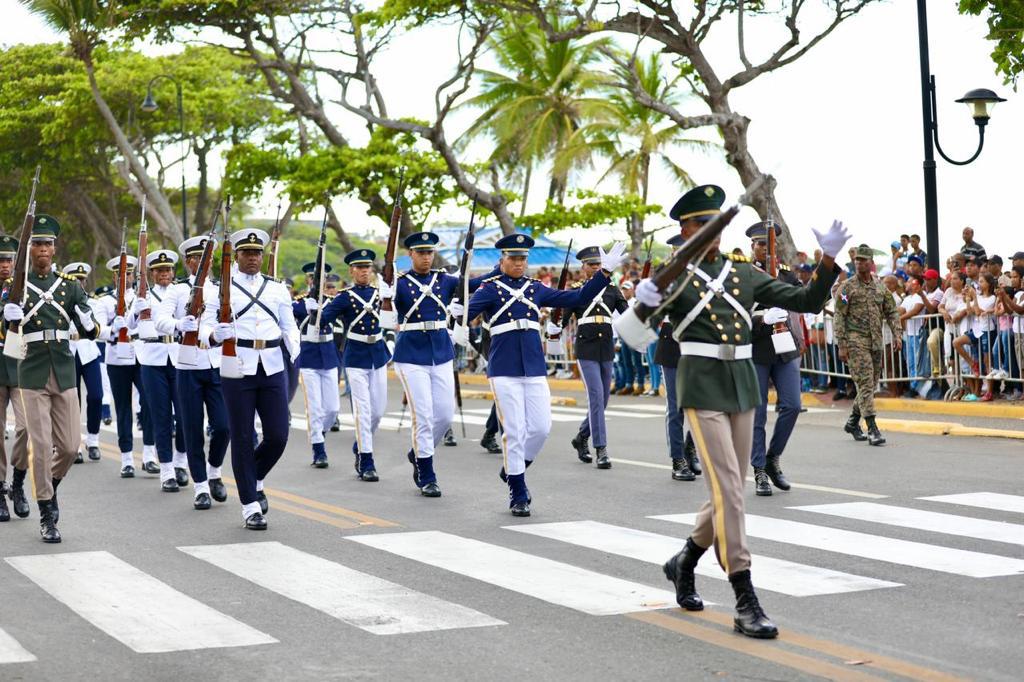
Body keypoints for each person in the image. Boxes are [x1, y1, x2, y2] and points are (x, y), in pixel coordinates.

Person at [634, 184, 846, 639]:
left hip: (743, 384)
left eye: (716, 224)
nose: (711, 232)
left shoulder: (742, 273)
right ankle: (744, 596)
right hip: (702, 386)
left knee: (728, 489)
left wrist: (827, 261)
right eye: (702, 224)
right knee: (730, 488)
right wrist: (643, 302)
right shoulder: (676, 279)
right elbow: (633, 334)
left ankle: (684, 560)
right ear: (686, 230)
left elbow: (806, 302)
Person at [462, 234, 625, 515]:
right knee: (514, 432)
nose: (519, 263)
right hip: (504, 368)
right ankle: (518, 491)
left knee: (540, 429)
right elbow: (462, 317)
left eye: (522, 258)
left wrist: (605, 273)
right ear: (502, 259)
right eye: (513, 258)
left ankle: (513, 469)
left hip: (534, 367)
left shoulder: (535, 288)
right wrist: (456, 312)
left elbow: (578, 297)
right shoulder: (489, 289)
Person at [2, 214, 99, 543]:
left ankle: (50, 486)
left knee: (70, 447)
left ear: (55, 249)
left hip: (63, 370)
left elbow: (90, 328)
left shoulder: (69, 287)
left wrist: (89, 322)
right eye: (38, 243)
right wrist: (7, 316)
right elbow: (5, 329)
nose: (43, 248)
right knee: (41, 446)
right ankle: (46, 512)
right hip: (31, 372)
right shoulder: (15, 286)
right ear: (29, 250)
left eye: (48, 244)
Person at [199, 228, 300, 530]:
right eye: (247, 253)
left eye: (257, 253)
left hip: (272, 364)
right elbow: (204, 329)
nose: (253, 258)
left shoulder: (277, 288)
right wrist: (215, 335)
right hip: (237, 365)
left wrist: (295, 348)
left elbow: (289, 325)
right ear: (236, 257)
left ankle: (252, 476)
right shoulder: (219, 289)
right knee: (242, 436)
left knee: (278, 435)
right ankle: (250, 506)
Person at [389, 231, 496, 497]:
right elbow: (385, 316)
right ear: (410, 254)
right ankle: (427, 473)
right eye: (421, 252)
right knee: (423, 416)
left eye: (430, 252)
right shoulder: (399, 283)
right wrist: (384, 292)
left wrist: (498, 269)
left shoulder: (444, 280)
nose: (426, 257)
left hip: (440, 351)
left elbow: (472, 284)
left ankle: (418, 453)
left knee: (445, 415)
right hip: (411, 355)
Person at [153, 235, 229, 510]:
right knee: (192, 427)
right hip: (187, 365)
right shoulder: (177, 290)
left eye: (205, 258)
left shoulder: (220, 289)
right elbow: (160, 319)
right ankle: (201, 487)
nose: (201, 262)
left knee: (224, 426)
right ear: (188, 262)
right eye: (196, 258)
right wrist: (177, 324)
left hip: (216, 364)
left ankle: (214, 471)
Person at [317, 248, 392, 482]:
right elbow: (322, 321)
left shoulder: (381, 294)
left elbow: (394, 319)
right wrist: (317, 307)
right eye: (359, 267)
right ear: (351, 271)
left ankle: (360, 443)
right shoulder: (344, 297)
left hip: (378, 354)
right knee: (363, 411)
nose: (364, 271)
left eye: (367, 267)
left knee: (377, 412)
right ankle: (366, 460)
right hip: (356, 357)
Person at [745, 222, 800, 497]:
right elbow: (735, 315)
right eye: (761, 244)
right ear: (752, 247)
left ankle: (772, 458)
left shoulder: (786, 274)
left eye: (770, 243)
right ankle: (759, 470)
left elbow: (806, 298)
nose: (766, 248)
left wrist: (826, 279)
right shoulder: (744, 275)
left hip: (784, 346)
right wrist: (761, 318)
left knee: (792, 405)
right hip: (756, 348)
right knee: (758, 412)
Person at [561, 245, 628, 469]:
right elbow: (562, 318)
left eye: (598, 264)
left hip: (606, 346)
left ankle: (581, 436)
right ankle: (601, 448)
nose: (596, 267)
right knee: (596, 396)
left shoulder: (612, 290)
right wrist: (555, 323)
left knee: (604, 399)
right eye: (591, 264)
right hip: (586, 348)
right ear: (583, 267)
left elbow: (627, 314)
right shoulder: (577, 291)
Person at [132, 250, 190, 492]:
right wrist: (137, 310)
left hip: (179, 356)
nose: (164, 274)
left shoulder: (182, 291)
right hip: (152, 358)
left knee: (185, 414)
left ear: (173, 272)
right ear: (152, 273)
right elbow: (129, 326)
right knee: (161, 416)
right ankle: (166, 470)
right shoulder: (143, 295)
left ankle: (181, 462)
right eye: (159, 270)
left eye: (168, 270)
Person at [94, 255, 156, 477]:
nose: (126, 277)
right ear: (115, 277)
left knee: (149, 403)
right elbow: (98, 330)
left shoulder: (145, 297)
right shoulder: (104, 301)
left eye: (129, 273)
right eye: (122, 274)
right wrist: (112, 328)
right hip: (117, 357)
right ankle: (127, 459)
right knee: (123, 408)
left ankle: (149, 455)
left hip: (142, 354)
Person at [834, 245, 902, 446]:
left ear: (871, 262)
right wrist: (842, 344)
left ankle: (852, 422)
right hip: (855, 341)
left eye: (863, 260)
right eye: (857, 259)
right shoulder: (847, 287)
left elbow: (891, 311)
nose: (859, 263)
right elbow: (839, 316)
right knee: (865, 383)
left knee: (869, 386)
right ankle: (872, 429)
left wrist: (897, 334)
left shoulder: (880, 287)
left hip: (876, 342)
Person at [655, 233, 700, 482]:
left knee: (702, 405)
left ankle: (690, 447)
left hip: (698, 344)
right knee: (676, 408)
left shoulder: (704, 275)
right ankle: (677, 459)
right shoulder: (665, 275)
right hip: (671, 344)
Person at [292, 261, 342, 468]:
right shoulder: (298, 304)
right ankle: (318, 449)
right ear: (308, 279)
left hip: (329, 356)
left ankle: (320, 432)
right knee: (315, 407)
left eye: (321, 278)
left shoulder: (333, 302)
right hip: (308, 357)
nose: (317, 281)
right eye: (313, 277)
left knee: (332, 409)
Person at [0, 234, 30, 522]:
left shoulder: (26, 288)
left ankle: (18, 482)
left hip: (20, 364)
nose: (5, 265)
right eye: (0, 260)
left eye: (9, 260)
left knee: (26, 427)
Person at [61, 263, 103, 463]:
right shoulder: (61, 301)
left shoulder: (92, 302)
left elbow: (99, 328)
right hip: (68, 351)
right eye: (75, 280)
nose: (79, 283)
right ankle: (74, 443)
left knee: (96, 395)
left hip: (88, 351)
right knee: (72, 401)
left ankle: (93, 441)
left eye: (82, 280)